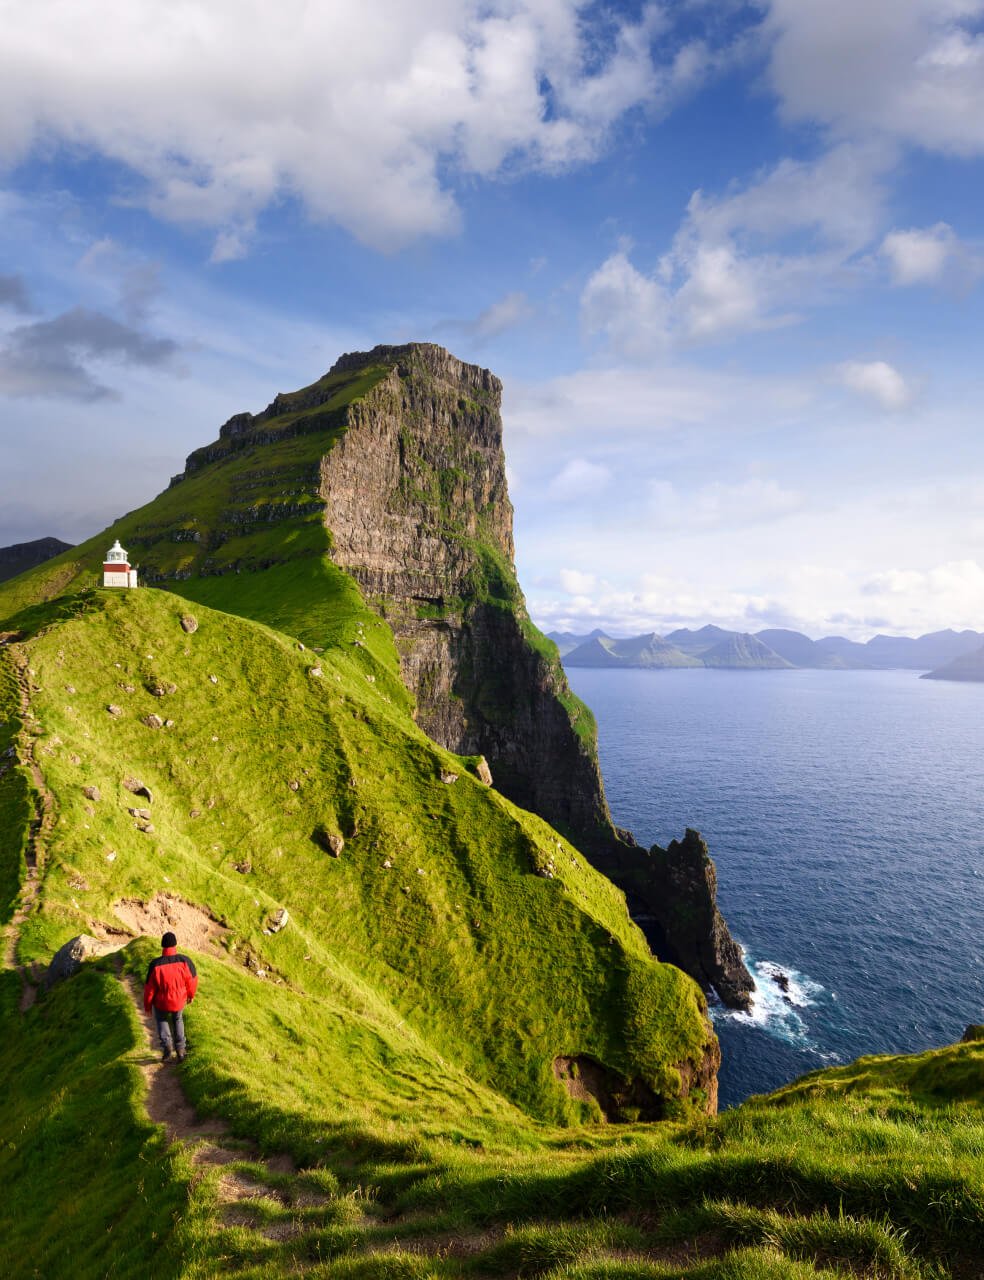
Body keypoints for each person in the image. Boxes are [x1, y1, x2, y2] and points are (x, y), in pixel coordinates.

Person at [143, 931, 198, 1062]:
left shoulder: (155, 965)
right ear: (175, 944)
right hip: (179, 1001)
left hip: (161, 1003)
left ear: (163, 945)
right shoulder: (185, 961)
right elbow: (192, 980)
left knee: (162, 1020)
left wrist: (147, 1005)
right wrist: (191, 995)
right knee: (178, 1019)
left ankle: (167, 1047)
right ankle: (181, 1050)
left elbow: (149, 989)